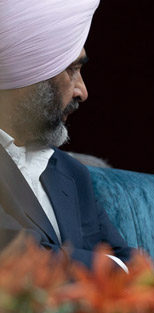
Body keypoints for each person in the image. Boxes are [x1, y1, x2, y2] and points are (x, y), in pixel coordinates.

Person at [0, 0, 132, 269]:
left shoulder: (72, 173)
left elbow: (130, 262)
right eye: (72, 70)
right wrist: (108, 268)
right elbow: (15, 259)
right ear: (29, 72)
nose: (82, 92)